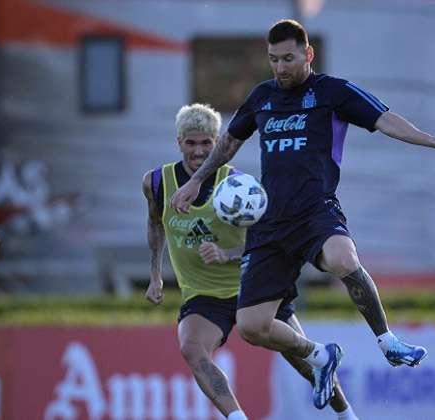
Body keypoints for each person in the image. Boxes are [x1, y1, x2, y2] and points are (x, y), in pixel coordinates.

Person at [170, 19, 435, 409]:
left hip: (316, 211)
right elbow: (229, 142)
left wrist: (433, 141)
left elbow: (384, 119)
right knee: (251, 327)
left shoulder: (332, 92)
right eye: (273, 60)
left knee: (342, 258)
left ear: (307, 54)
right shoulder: (262, 96)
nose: (280, 68)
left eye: (288, 58)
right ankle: (319, 354)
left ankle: (387, 340)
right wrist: (197, 179)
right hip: (270, 222)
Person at [143, 103, 359, 420]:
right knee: (192, 349)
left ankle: (346, 414)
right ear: (179, 142)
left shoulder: (239, 186)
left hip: (254, 288)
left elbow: (268, 241)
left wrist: (227, 254)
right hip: (204, 297)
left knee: (304, 361)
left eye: (206, 143)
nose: (199, 151)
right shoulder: (158, 183)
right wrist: (155, 275)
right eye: (191, 143)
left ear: (218, 143)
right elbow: (155, 223)